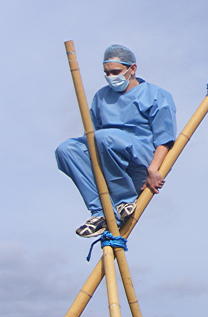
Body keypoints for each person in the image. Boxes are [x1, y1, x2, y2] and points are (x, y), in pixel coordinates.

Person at [55, 44, 176, 238]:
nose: (111, 77)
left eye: (116, 72)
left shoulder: (155, 95)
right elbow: (93, 135)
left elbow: (165, 138)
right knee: (66, 149)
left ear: (132, 69)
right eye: (107, 73)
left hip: (139, 156)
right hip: (107, 152)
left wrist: (154, 169)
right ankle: (101, 212)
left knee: (104, 137)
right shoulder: (102, 97)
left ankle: (124, 200)